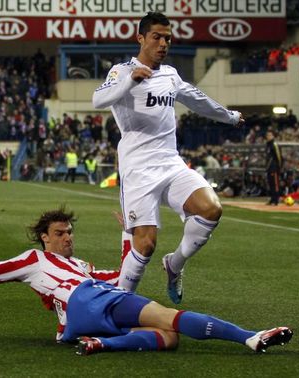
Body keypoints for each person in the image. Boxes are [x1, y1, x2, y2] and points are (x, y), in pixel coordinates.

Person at [0, 207, 293, 355]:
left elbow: (123, 278)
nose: (67, 237)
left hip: (81, 318)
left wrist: (128, 235)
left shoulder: (82, 265)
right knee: (171, 317)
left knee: (169, 339)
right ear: (44, 237)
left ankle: (103, 344)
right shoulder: (33, 260)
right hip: (85, 300)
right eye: (60, 232)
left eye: (69, 232)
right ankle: (250, 337)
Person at [92, 12, 244, 303]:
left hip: (171, 163)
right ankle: (116, 307)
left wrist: (230, 117)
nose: (163, 43)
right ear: (141, 38)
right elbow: (98, 100)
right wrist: (130, 82)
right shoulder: (122, 71)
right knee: (146, 245)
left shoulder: (170, 75)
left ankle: (174, 265)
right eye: (157, 37)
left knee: (211, 209)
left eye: (168, 38)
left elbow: (197, 99)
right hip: (138, 168)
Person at [265, 131, 282, 206]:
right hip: (269, 167)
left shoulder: (274, 144)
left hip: (274, 167)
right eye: (267, 135)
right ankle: (272, 198)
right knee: (270, 183)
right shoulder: (268, 145)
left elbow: (279, 156)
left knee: (275, 184)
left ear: (273, 136)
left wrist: (278, 167)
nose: (268, 136)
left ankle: (276, 199)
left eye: (269, 135)